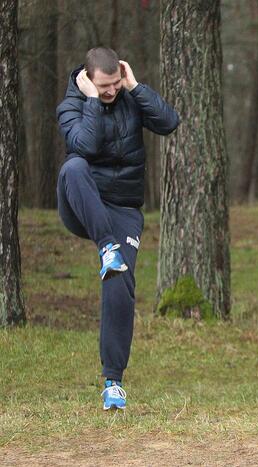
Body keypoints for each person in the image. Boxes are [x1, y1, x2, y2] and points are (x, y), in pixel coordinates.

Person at [56, 47, 179, 410]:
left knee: (119, 282)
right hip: (83, 204)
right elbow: (84, 144)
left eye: (115, 84)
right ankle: (106, 247)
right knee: (74, 166)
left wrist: (137, 87)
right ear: (88, 81)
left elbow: (170, 122)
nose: (111, 91)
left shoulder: (130, 97)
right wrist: (92, 101)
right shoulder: (71, 106)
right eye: (103, 86)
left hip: (123, 209)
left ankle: (113, 382)